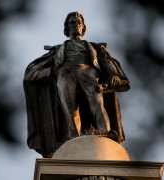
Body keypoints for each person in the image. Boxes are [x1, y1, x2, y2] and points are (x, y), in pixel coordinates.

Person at [23, 11, 130, 157]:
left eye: (79, 23)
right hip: (64, 74)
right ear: (67, 28)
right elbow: (31, 74)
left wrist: (114, 75)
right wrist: (51, 71)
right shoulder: (57, 50)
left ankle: (105, 133)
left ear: (83, 27)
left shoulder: (93, 47)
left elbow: (108, 64)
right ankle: (74, 139)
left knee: (97, 104)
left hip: (88, 74)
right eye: (72, 23)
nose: (76, 25)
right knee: (71, 110)